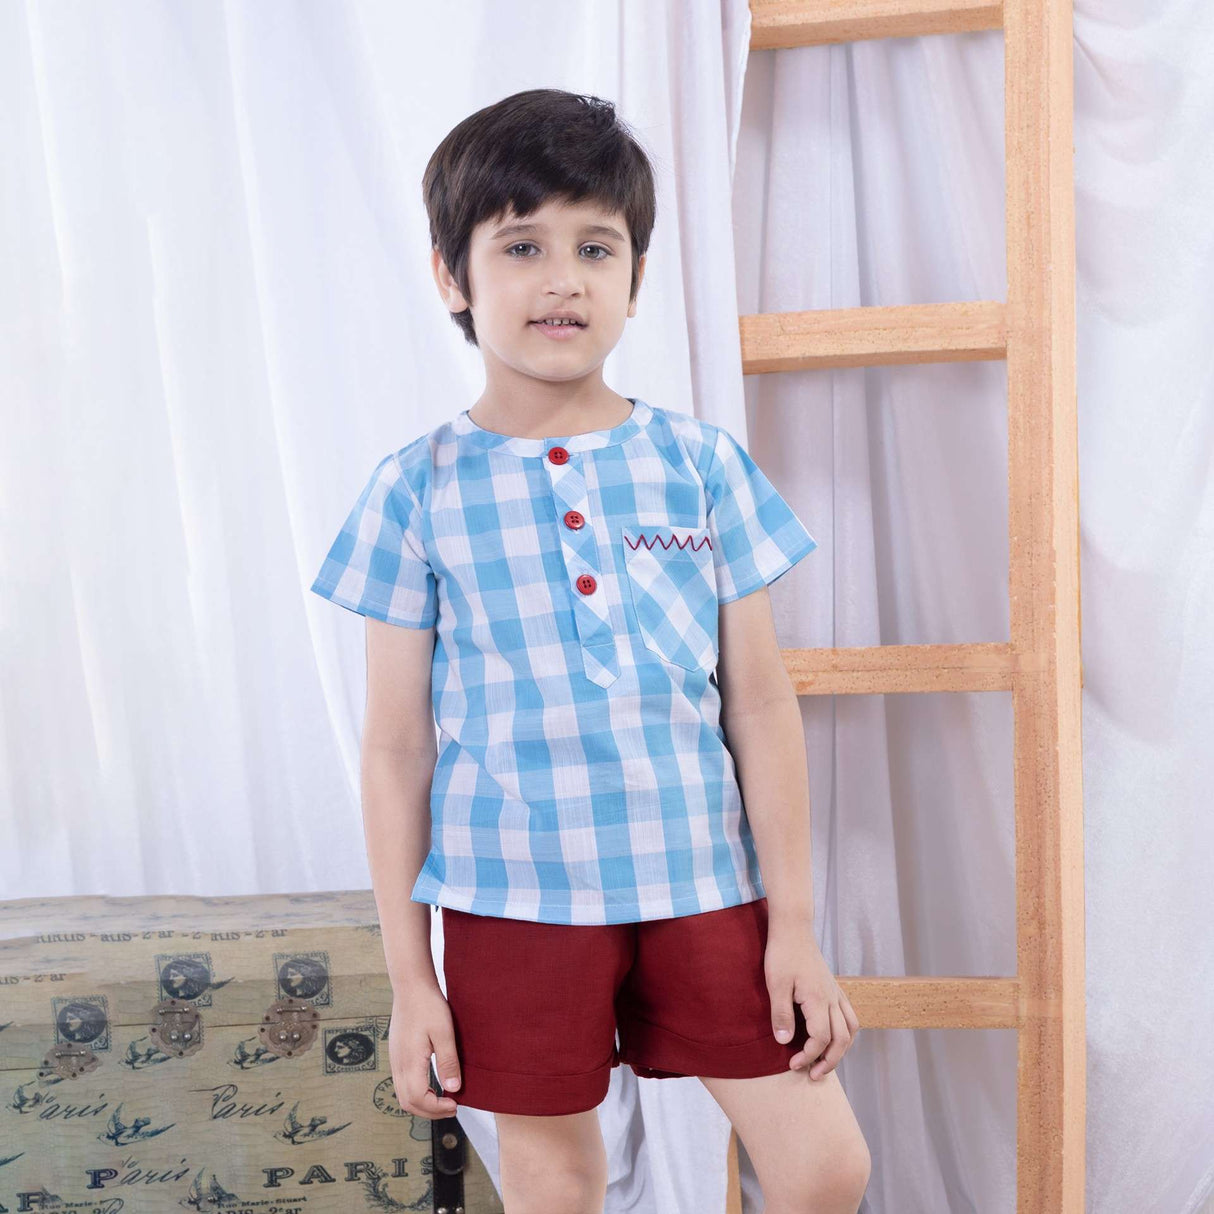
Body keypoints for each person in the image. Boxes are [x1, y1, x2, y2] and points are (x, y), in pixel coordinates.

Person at [311, 87, 870, 1214]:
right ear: (451, 275)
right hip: (509, 897)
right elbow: (395, 747)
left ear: (634, 278)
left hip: (703, 883)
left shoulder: (699, 465)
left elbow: (757, 704)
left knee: (823, 1164)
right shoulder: (412, 489)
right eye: (521, 244)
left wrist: (795, 927)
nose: (561, 276)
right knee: (556, 1177)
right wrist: (410, 980)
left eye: (593, 246)